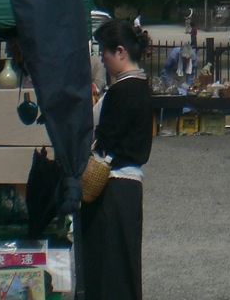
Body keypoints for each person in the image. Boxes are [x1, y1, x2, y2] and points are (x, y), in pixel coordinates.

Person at [82, 20, 152, 300]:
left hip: (113, 185)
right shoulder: (137, 85)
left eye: (104, 54)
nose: (103, 60)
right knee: (123, 263)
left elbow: (105, 140)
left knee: (109, 268)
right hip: (127, 186)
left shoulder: (125, 90)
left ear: (120, 52)